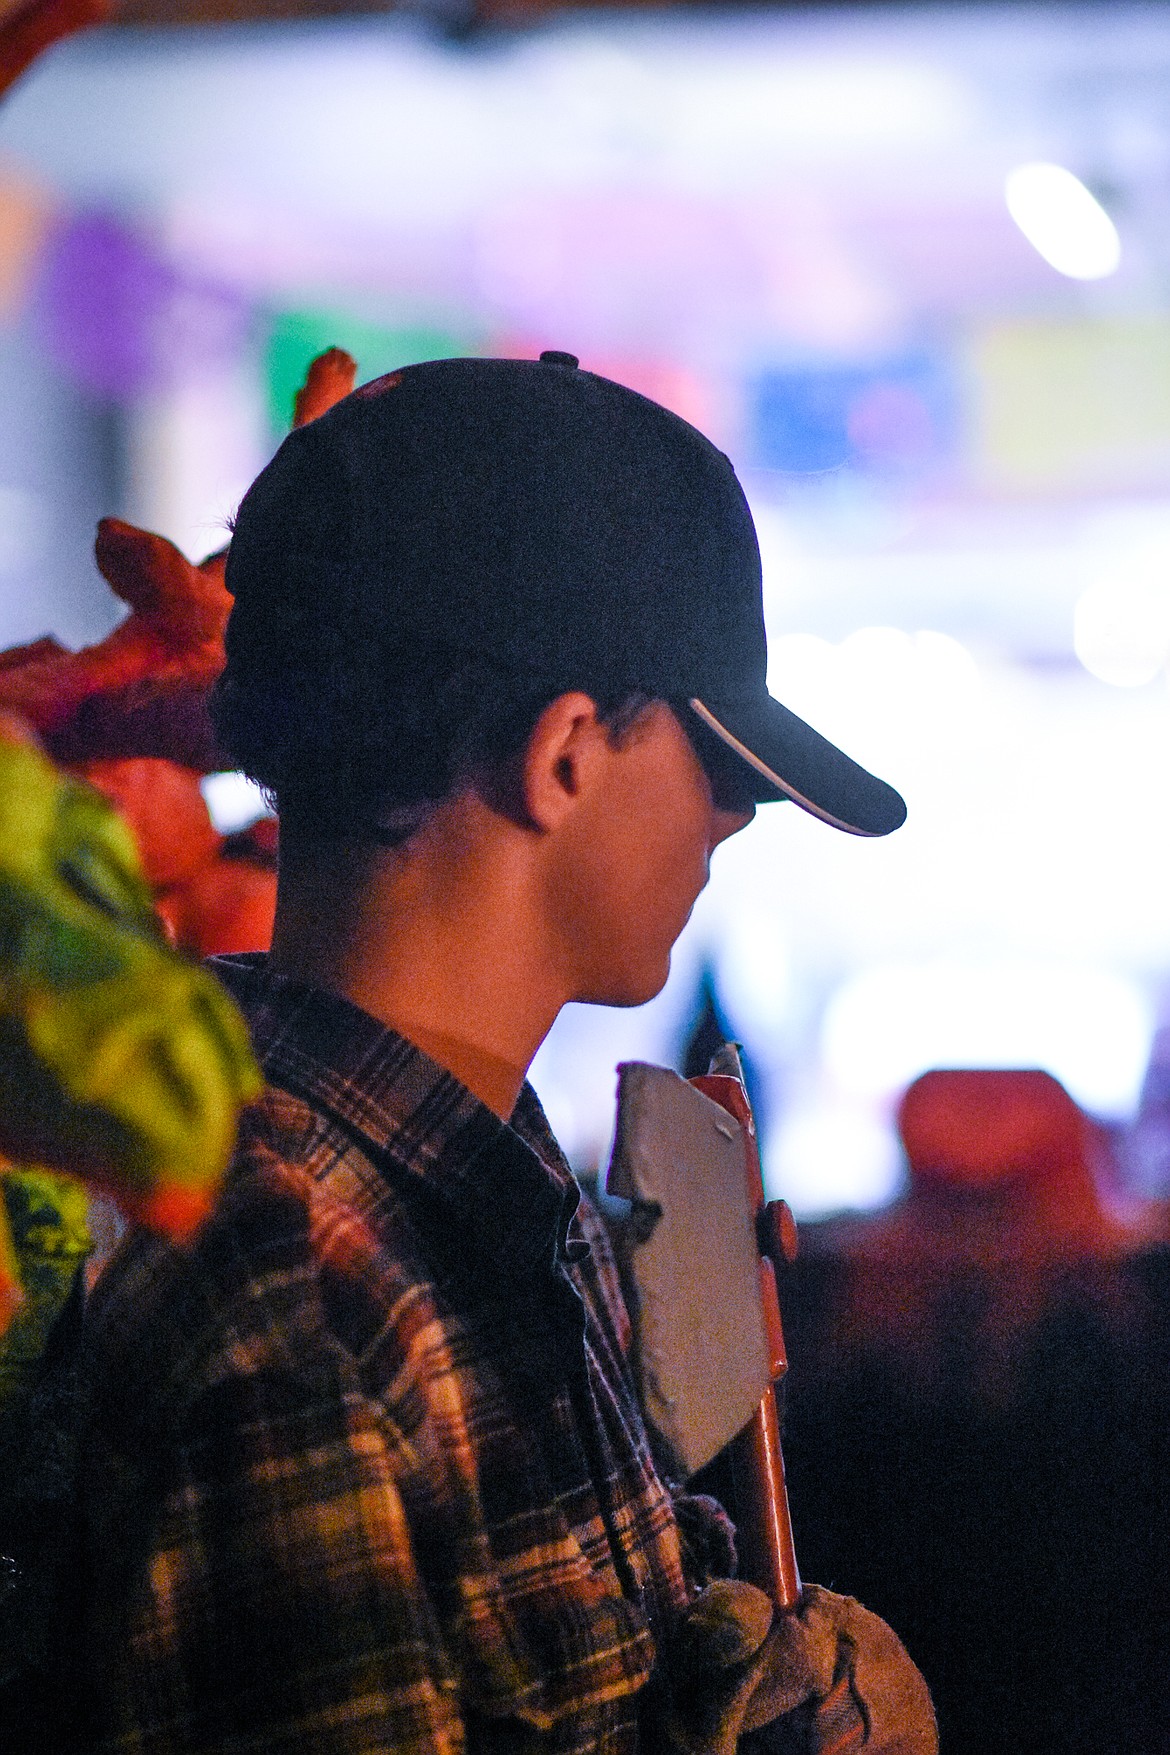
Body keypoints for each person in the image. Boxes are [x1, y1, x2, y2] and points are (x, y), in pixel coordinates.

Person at [72, 352, 936, 1753]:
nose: (735, 825)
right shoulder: (293, 1302)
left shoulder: (487, 1196)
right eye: (719, 769)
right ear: (567, 755)